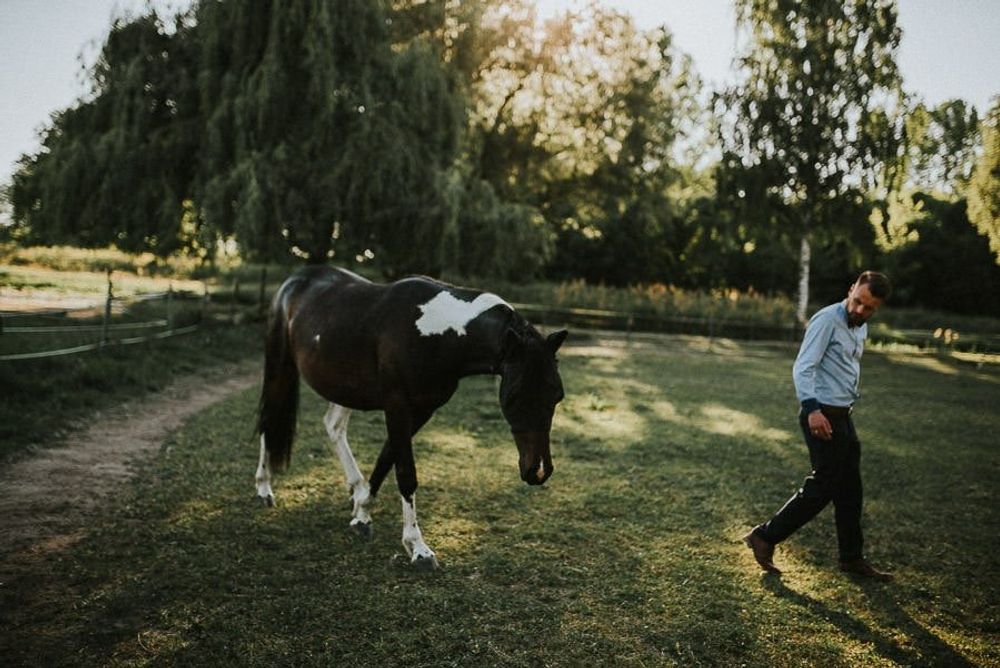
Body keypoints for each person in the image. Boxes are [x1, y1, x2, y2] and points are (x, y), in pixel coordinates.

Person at [744, 271, 894, 580]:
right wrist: (812, 410)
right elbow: (804, 366)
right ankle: (764, 536)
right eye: (857, 302)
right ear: (850, 289)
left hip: (843, 417)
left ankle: (851, 558)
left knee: (851, 490)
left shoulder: (859, 328)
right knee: (824, 486)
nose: (860, 311)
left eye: (869, 308)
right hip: (821, 415)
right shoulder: (827, 320)